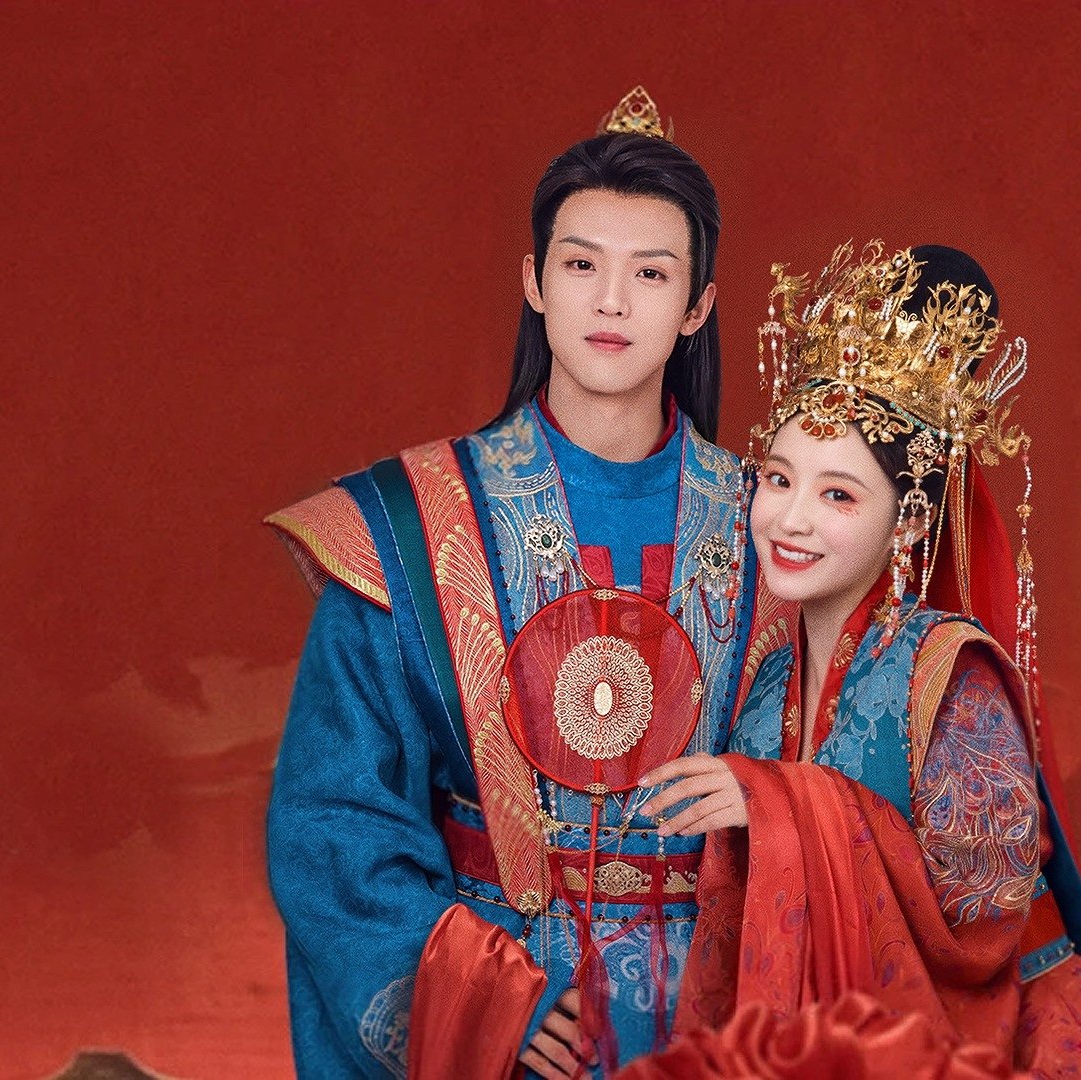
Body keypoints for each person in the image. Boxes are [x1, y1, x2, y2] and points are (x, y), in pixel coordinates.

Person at [265, 88, 759, 1078]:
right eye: (581, 265)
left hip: (730, 1020)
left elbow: (847, 783)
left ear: (698, 304)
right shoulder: (409, 526)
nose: (611, 302)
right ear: (535, 282)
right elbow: (332, 824)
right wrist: (487, 1007)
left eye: (651, 272)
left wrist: (788, 815)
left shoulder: (774, 531)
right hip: (515, 1016)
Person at [617, 242, 1081, 1077]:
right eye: (779, 479)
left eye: (838, 494)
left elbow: (990, 903)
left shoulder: (950, 676)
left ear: (908, 521)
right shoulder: (766, 687)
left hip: (1001, 1045)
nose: (791, 519)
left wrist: (779, 802)